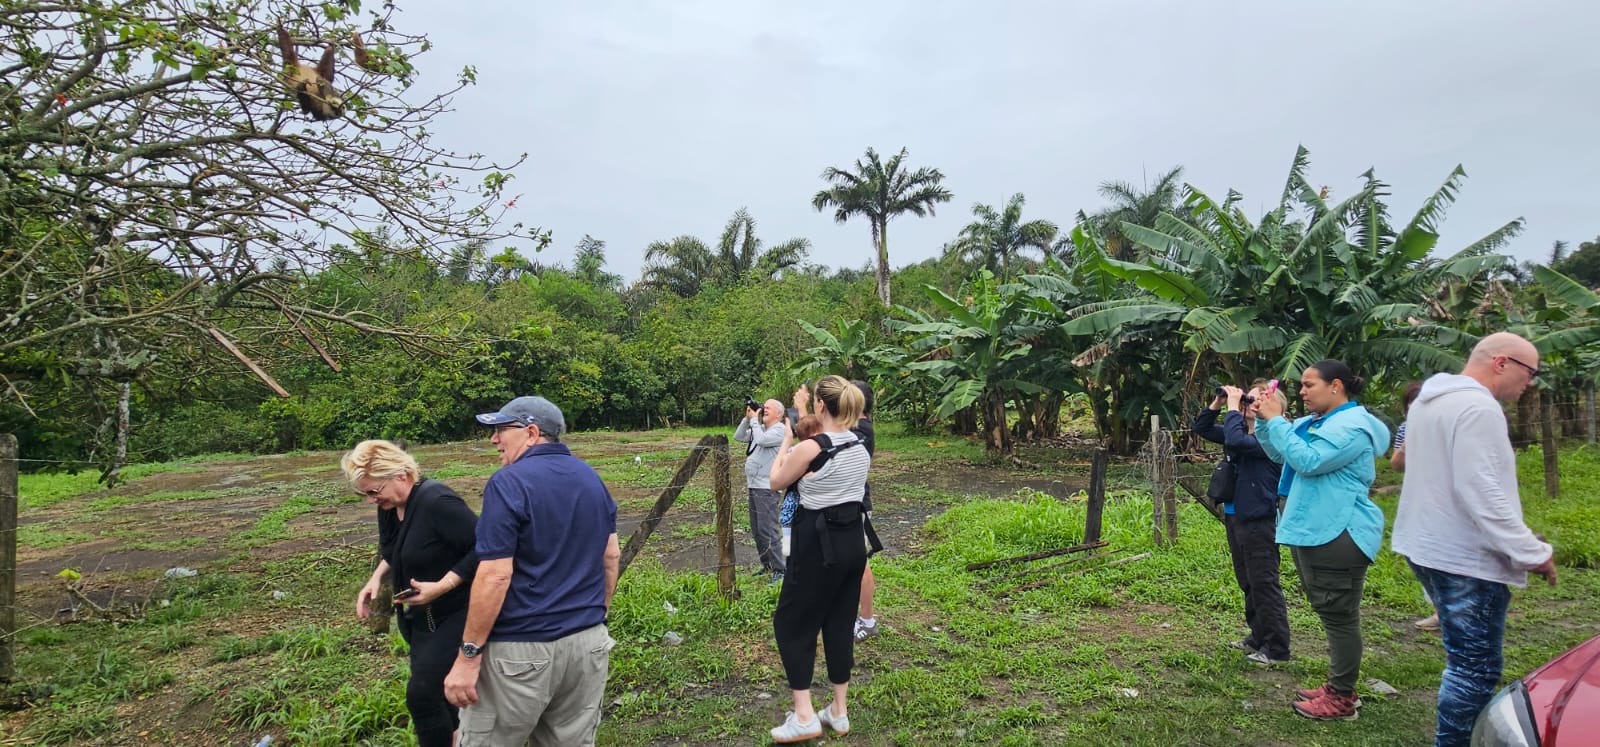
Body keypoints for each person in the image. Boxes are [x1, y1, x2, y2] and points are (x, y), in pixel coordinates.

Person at [1391, 333, 1557, 747]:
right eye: (1529, 371)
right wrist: (1531, 552)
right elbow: (1480, 488)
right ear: (1501, 362)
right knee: (1474, 668)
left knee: (1462, 659)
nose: (1530, 382)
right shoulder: (1477, 406)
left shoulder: (1431, 402)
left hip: (1428, 544)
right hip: (1462, 556)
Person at [443, 396, 621, 747]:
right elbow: (611, 556)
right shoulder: (591, 478)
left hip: (520, 651)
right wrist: (595, 616)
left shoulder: (508, 482)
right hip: (586, 644)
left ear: (532, 432)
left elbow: (495, 575)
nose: (494, 439)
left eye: (501, 430)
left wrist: (468, 656)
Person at [1255, 359, 1390, 721]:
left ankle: (1342, 697)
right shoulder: (1317, 422)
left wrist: (1278, 421)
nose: (1301, 391)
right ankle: (1338, 686)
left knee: (1341, 617)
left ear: (1336, 386)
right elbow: (1278, 452)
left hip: (1338, 529)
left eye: (1309, 384)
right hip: (1313, 526)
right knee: (1331, 613)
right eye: (1300, 385)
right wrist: (1262, 419)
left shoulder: (1352, 427)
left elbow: (1310, 461)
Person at [341, 440, 478, 747]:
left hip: (456, 611)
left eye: (374, 491)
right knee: (444, 697)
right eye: (365, 493)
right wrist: (375, 580)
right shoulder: (391, 506)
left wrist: (444, 585)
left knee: (422, 694)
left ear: (401, 475)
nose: (370, 499)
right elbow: (392, 549)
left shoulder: (437, 501)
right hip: (419, 619)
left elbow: (484, 547)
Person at [765, 375, 872, 743]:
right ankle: (839, 713)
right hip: (853, 545)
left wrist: (786, 440)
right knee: (840, 623)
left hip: (817, 544)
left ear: (821, 406)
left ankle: (805, 714)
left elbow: (776, 481)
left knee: (792, 623)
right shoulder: (860, 445)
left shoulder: (811, 448)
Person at [1194, 383, 1290, 666]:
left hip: (1259, 517)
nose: (1251, 402)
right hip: (1237, 514)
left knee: (1264, 582)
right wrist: (1218, 402)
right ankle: (1257, 636)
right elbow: (1202, 428)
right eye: (1250, 397)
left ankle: (1277, 648)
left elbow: (1234, 442)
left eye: (1259, 398)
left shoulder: (1273, 437)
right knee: (1247, 580)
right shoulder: (1243, 432)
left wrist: (1234, 408)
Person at [1389, 381, 1439, 632]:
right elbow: (1396, 464)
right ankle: (1441, 609)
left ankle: (1444, 611)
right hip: (1417, 497)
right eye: (1411, 404)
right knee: (1416, 553)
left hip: (1442, 500)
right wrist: (1411, 440)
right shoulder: (1406, 429)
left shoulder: (1445, 425)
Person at [734, 398, 788, 582]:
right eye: (762, 407)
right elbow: (739, 436)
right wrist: (748, 417)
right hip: (754, 484)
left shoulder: (780, 430)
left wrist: (755, 422)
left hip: (767, 487)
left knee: (768, 529)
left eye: (767, 408)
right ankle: (768, 565)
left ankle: (780, 569)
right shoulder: (761, 429)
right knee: (757, 529)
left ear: (779, 414)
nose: (763, 410)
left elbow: (763, 441)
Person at [849, 379, 880, 643]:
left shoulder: (862, 429)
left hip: (857, 503)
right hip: (847, 503)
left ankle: (868, 620)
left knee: (859, 563)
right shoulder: (853, 426)